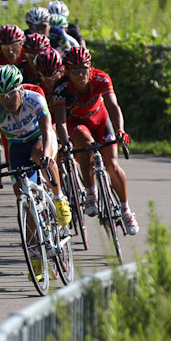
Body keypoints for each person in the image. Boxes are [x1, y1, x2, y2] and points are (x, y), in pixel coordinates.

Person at [0, 65, 70, 279]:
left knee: (40, 153)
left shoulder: (34, 99)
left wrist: (49, 153)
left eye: (11, 93)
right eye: (1, 96)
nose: (8, 100)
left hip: (40, 139)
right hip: (17, 147)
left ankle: (59, 199)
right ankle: (35, 257)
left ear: (20, 89)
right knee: (24, 197)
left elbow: (48, 130)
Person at [53, 46, 139, 234]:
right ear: (66, 72)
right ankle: (91, 192)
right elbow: (60, 121)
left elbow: (113, 106)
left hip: (101, 121)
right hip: (77, 124)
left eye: (83, 68)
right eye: (74, 71)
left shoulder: (101, 78)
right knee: (86, 144)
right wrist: (65, 142)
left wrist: (120, 130)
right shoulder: (60, 88)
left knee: (112, 165)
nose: (80, 74)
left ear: (90, 67)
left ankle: (126, 210)